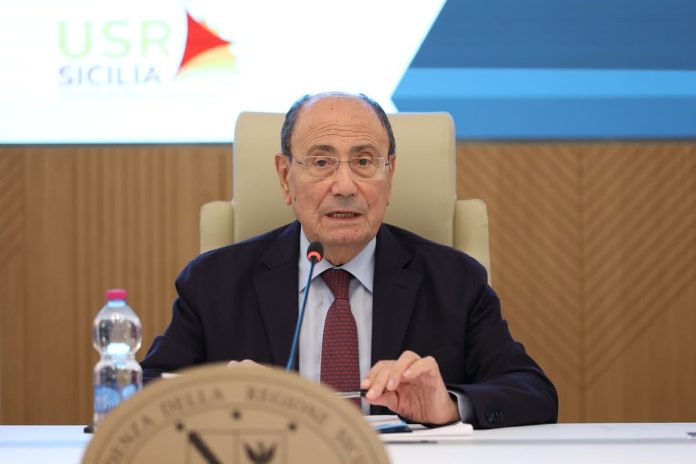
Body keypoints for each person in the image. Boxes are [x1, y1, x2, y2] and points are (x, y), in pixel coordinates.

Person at [140, 92, 558, 429]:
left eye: (364, 162)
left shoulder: (454, 281)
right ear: (285, 178)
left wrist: (449, 403)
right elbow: (139, 392)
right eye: (322, 162)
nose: (344, 186)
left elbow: (533, 392)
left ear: (389, 175)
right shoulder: (214, 282)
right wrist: (215, 397)